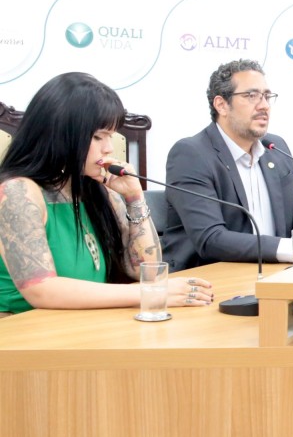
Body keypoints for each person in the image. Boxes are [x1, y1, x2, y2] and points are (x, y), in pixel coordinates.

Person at [0, 72, 213, 315]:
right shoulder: (17, 193)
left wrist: (134, 197)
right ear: (59, 133)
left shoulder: (98, 188)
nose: (109, 148)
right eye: (98, 137)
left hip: (83, 322)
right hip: (21, 327)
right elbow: (42, 290)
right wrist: (147, 293)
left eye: (111, 136)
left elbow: (146, 271)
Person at [162, 59, 293, 271]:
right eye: (251, 96)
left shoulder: (275, 148)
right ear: (221, 105)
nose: (264, 106)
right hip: (210, 279)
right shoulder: (191, 154)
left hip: (272, 273)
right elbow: (211, 238)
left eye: (266, 96)